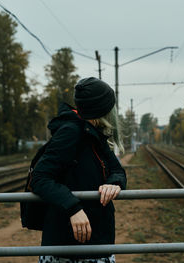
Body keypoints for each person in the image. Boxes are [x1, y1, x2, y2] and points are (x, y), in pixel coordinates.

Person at [30, 77, 127, 263]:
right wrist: (73, 208)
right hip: (66, 249)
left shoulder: (94, 135)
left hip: (96, 243)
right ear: (102, 110)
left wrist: (114, 183)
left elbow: (117, 170)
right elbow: (40, 178)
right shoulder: (71, 132)